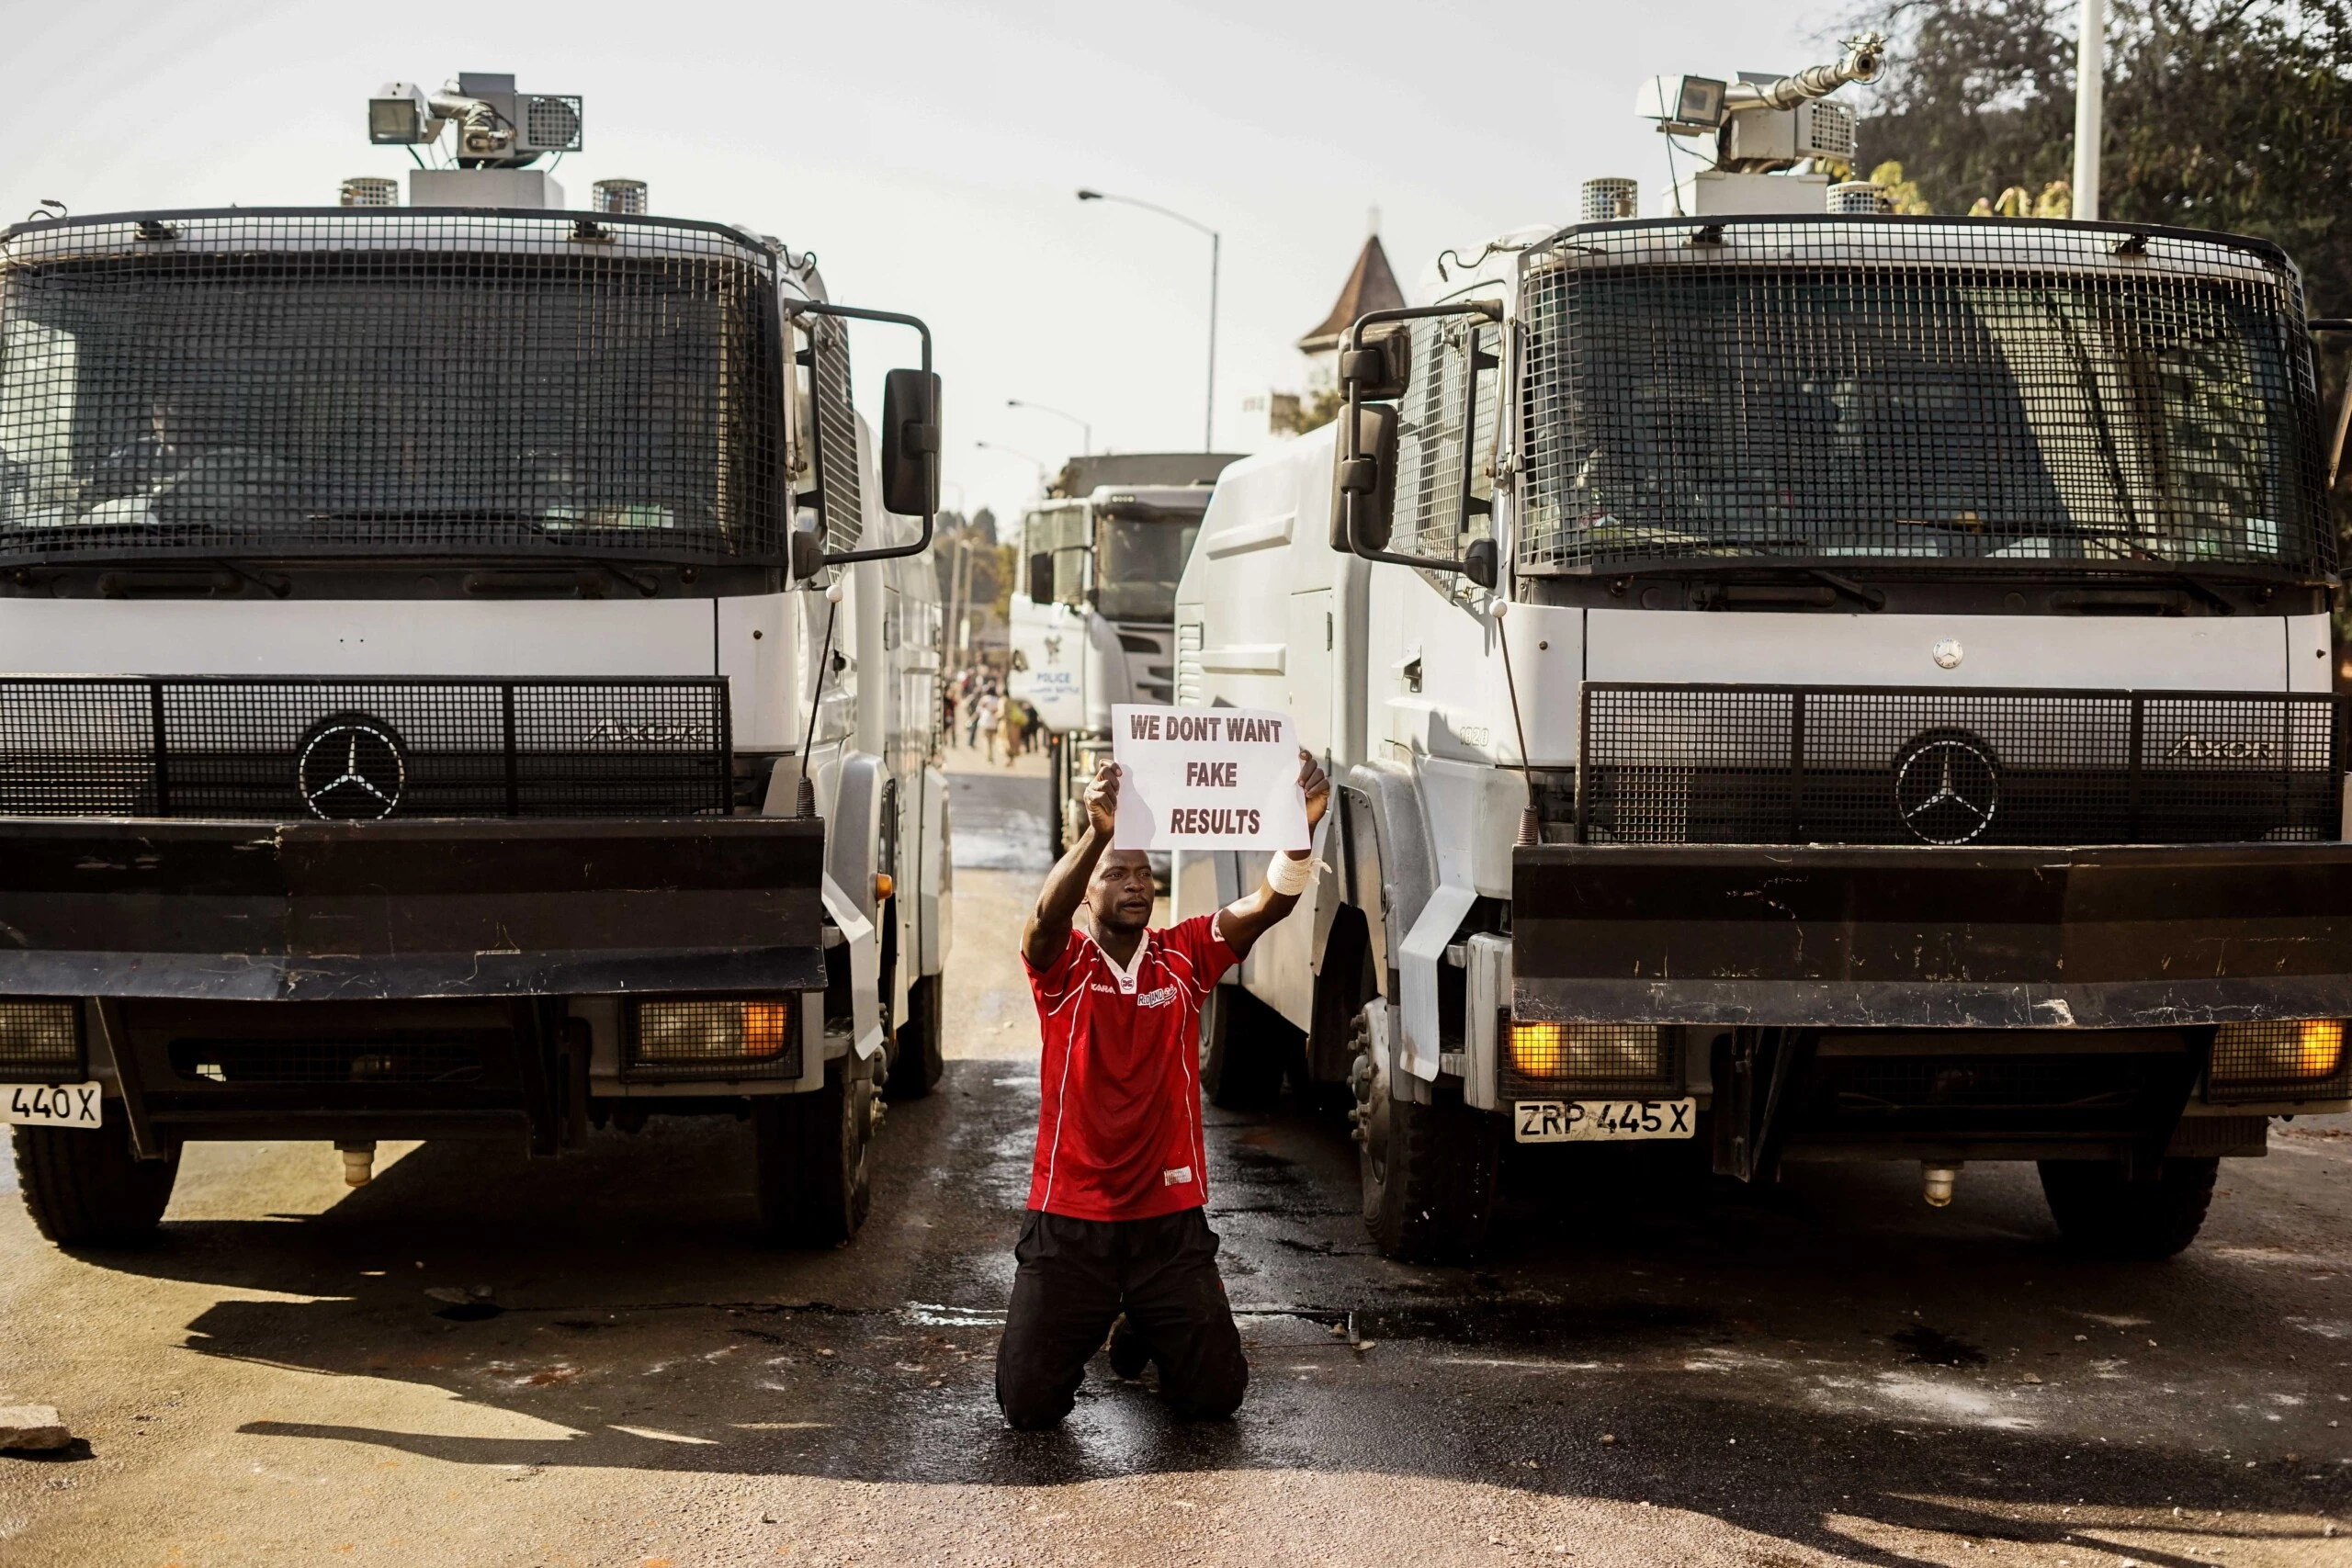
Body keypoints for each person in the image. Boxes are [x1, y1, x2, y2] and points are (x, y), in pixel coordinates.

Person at [996, 750, 1331, 1430]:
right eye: (1117, 872)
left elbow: (1270, 903)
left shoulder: (1183, 955)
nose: (1136, 884)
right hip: (1070, 1221)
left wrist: (1299, 834)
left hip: (1166, 1224)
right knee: (1027, 1407)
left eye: (1145, 873)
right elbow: (1041, 921)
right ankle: (1107, 1317)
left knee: (1216, 1396)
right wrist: (1095, 833)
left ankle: (1145, 1324)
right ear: (1089, 888)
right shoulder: (1063, 968)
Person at [976, 686, 1004, 762]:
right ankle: (991, 755)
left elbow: (978, 709)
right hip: (994, 722)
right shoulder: (997, 700)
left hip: (985, 722)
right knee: (991, 741)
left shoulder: (985, 699)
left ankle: (989, 756)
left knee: (986, 741)